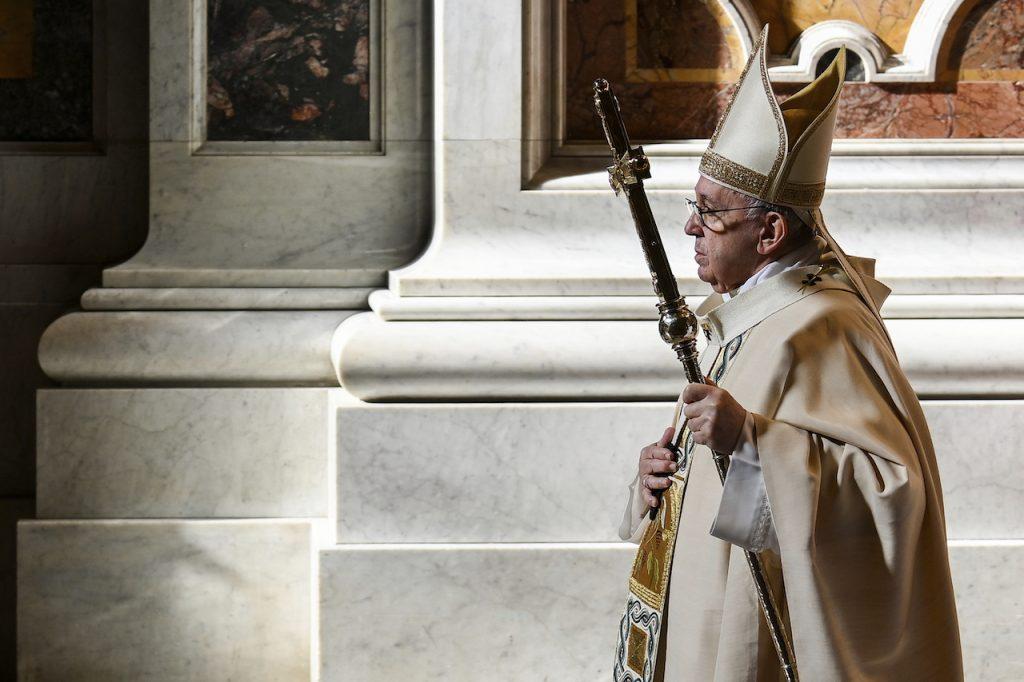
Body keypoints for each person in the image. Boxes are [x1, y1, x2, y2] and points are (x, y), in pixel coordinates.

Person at [613, 25, 963, 681]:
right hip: (699, 605)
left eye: (712, 213)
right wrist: (663, 473)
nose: (689, 226)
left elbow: (889, 495)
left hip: (759, 629)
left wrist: (752, 439)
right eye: (695, 207)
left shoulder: (823, 325)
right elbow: (739, 483)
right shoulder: (746, 314)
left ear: (771, 231)